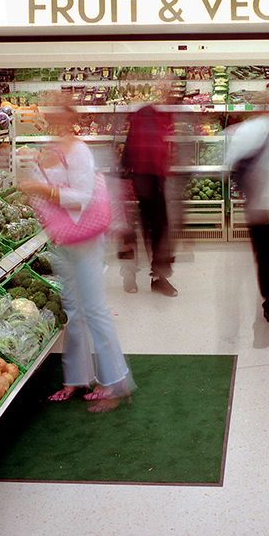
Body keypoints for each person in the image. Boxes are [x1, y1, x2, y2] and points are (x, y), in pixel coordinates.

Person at [18, 105, 136, 413]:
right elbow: (40, 188)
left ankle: (115, 382)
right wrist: (31, 171)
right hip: (62, 238)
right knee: (72, 309)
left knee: (94, 309)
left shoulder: (80, 150)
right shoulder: (50, 149)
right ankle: (76, 378)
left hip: (85, 239)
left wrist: (40, 188)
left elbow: (81, 196)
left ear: (69, 118)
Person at [225, 91, 269, 324]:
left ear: (255, 106)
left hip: (256, 207)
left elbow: (228, 165)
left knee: (263, 256)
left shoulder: (243, 130)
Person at [119, 85, 177, 296]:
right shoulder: (146, 114)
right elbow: (132, 146)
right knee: (134, 230)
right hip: (139, 180)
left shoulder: (164, 117)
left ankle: (155, 277)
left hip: (152, 181)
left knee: (155, 231)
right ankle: (131, 274)